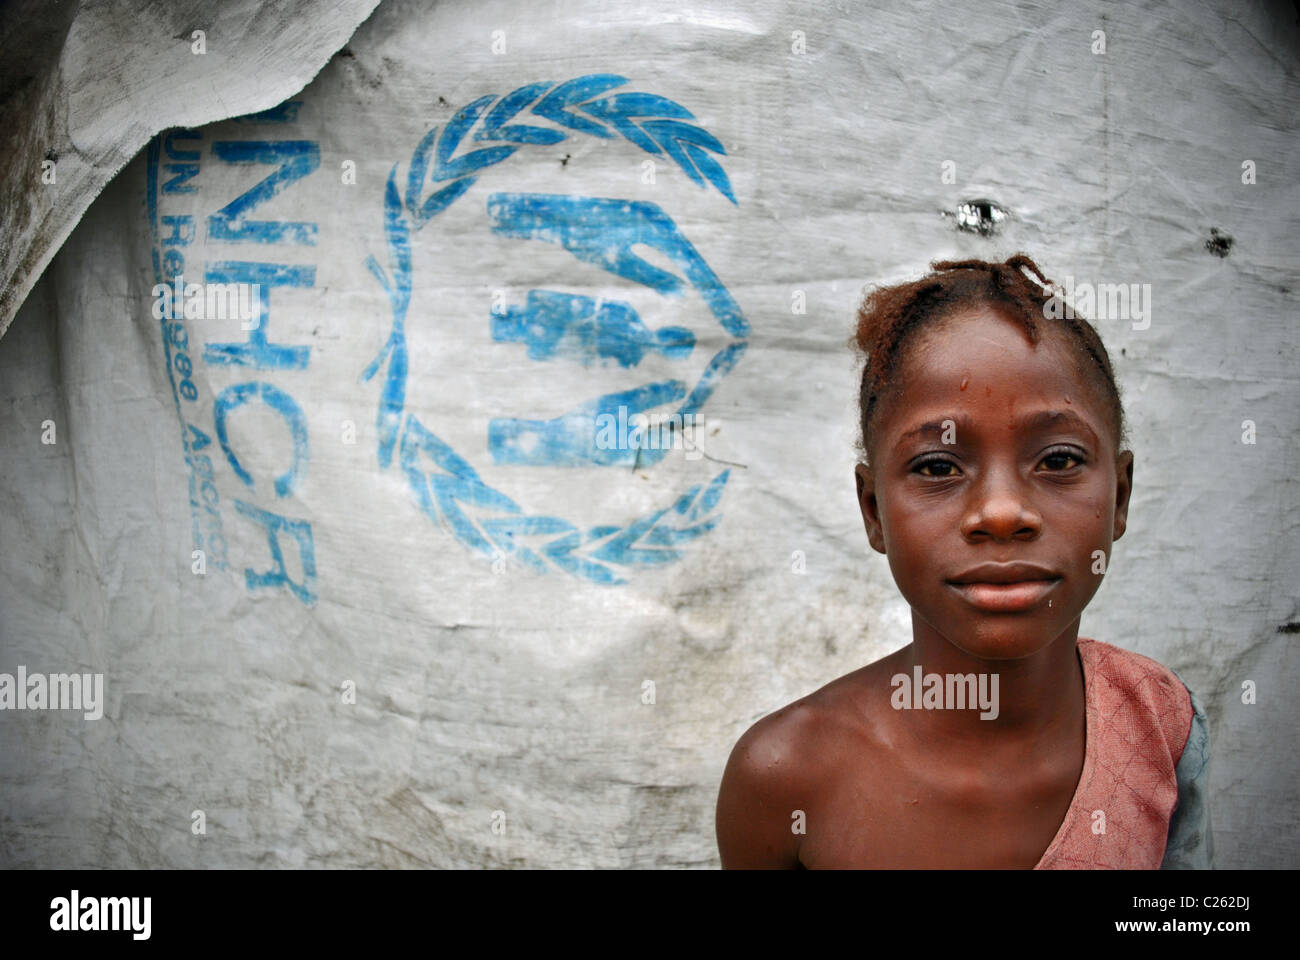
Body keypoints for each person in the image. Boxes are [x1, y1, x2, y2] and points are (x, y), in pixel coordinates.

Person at [715, 254, 1213, 869]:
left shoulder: (1158, 722)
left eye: (1057, 460)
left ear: (1121, 496)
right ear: (874, 511)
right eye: (937, 467)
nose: (1002, 513)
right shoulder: (783, 777)